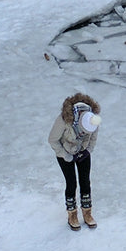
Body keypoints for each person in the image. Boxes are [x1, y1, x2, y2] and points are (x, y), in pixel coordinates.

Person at [48, 93, 102, 231]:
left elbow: (93, 139)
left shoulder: (93, 119)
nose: (84, 134)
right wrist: (65, 156)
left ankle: (87, 212)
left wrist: (87, 151)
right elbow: (52, 140)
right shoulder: (64, 120)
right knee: (71, 183)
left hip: (82, 152)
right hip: (64, 152)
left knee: (85, 181)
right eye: (83, 132)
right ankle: (72, 215)